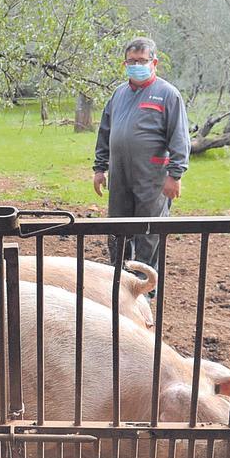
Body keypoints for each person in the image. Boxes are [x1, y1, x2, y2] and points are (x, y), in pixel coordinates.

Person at [92, 37, 190, 284]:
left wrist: (175, 175)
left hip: (153, 176)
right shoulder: (119, 94)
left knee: (149, 231)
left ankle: (145, 286)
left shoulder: (167, 95)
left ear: (154, 62)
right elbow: (105, 132)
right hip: (120, 175)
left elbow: (179, 137)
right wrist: (99, 168)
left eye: (141, 61)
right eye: (131, 61)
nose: (136, 65)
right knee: (117, 227)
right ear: (125, 64)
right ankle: (118, 279)